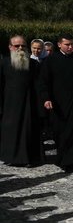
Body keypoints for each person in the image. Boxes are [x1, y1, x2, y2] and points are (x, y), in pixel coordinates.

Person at [38, 34, 73, 173]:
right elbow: (43, 81)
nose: (70, 47)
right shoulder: (50, 61)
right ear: (59, 45)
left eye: (71, 44)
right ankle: (62, 158)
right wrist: (46, 98)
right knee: (60, 131)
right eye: (67, 44)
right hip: (57, 102)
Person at [0, 36, 43, 166]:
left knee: (28, 130)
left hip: (30, 104)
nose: (20, 48)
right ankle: (11, 157)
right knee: (11, 131)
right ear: (10, 47)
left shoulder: (34, 64)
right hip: (10, 104)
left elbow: (39, 85)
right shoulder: (4, 63)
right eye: (16, 46)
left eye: (23, 46)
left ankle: (28, 158)